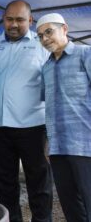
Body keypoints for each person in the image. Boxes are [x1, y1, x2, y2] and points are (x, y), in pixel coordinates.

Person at [0, 0, 53, 222]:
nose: (13, 24)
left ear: (30, 21)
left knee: (39, 184)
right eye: (9, 19)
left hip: (33, 126)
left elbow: (53, 87)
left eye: (20, 19)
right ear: (3, 19)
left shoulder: (42, 46)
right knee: (5, 185)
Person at [37, 13, 91, 222]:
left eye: (49, 32)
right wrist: (48, 141)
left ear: (65, 29)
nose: (45, 39)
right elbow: (49, 107)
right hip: (58, 148)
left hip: (85, 145)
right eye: (40, 36)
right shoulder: (46, 68)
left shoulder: (85, 54)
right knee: (70, 205)